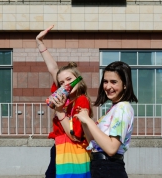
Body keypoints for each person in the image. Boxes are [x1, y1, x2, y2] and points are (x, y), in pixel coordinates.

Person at [36, 25, 93, 178]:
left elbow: (75, 135)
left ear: (78, 80)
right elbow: (53, 69)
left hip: (71, 150)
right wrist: (40, 42)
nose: (65, 84)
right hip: (59, 147)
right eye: (61, 82)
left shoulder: (81, 100)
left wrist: (60, 111)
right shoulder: (65, 97)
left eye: (69, 79)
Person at [74, 61, 138, 178]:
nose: (108, 87)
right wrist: (84, 121)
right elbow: (93, 142)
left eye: (114, 82)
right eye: (105, 81)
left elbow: (111, 148)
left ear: (125, 84)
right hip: (101, 167)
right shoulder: (114, 108)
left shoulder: (122, 108)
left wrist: (88, 121)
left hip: (109, 168)